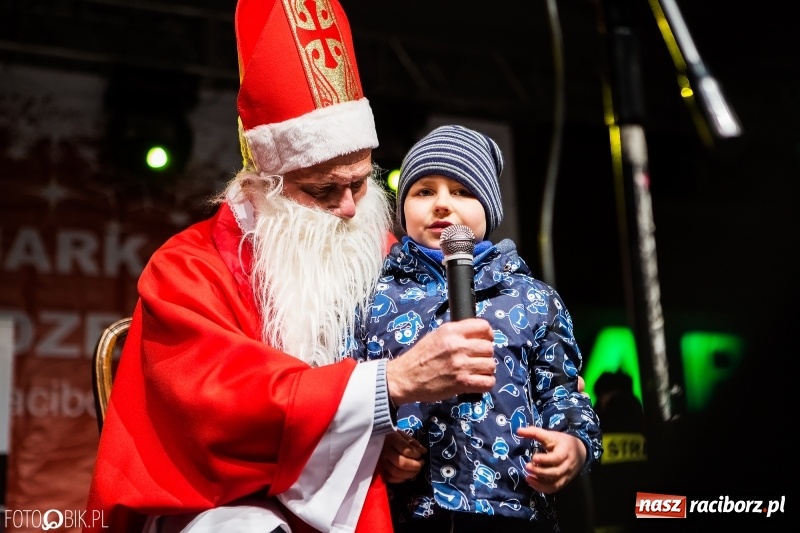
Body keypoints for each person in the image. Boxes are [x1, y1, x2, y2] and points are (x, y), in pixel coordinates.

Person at [83, 2, 499, 533]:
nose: (351, 208)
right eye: (325, 190)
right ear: (264, 185)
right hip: (234, 506)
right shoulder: (187, 270)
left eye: (361, 182)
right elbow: (222, 415)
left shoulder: (383, 248)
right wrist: (388, 384)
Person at [349, 125, 603, 532]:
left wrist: (574, 445)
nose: (442, 205)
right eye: (424, 191)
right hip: (410, 513)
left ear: (490, 208)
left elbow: (563, 394)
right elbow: (349, 391)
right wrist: (377, 445)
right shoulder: (369, 297)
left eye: (463, 191)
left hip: (513, 510)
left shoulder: (533, 299)